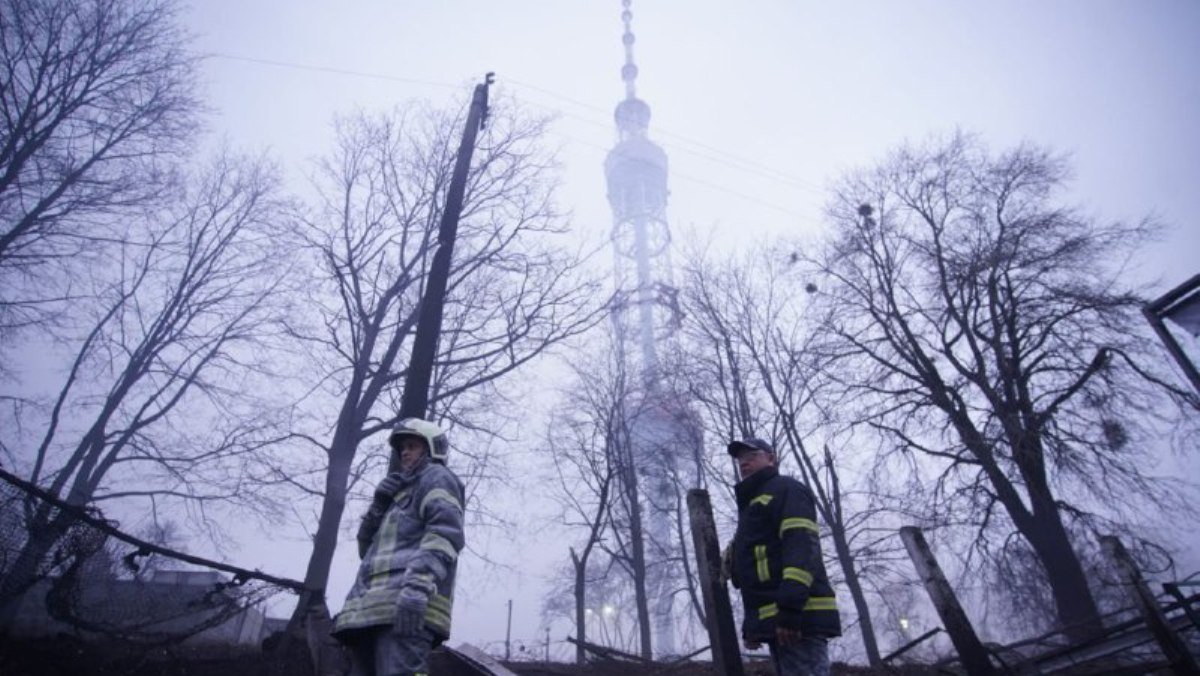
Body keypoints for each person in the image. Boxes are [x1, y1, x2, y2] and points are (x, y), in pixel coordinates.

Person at [332, 417, 466, 676]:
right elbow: (366, 552)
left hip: (406, 608)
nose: (404, 452)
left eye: (412, 446)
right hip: (371, 612)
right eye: (402, 447)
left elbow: (444, 533)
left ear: (431, 448)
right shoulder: (397, 495)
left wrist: (416, 588)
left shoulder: (437, 477)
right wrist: (379, 505)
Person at [726, 437, 841, 676]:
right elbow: (753, 566)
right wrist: (754, 625)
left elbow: (801, 545)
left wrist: (789, 610)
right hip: (780, 620)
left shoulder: (786, 489)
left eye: (751, 457)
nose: (744, 463)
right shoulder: (752, 505)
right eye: (740, 461)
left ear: (771, 458)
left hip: (799, 616)